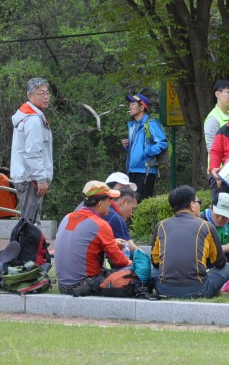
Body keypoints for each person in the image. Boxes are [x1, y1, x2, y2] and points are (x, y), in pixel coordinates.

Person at [55, 181, 136, 295]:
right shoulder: (100, 224)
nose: (111, 203)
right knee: (132, 274)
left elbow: (81, 242)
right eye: (109, 199)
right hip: (84, 285)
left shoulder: (67, 217)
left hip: (63, 286)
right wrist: (132, 263)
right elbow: (119, 260)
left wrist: (112, 242)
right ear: (100, 204)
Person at [151, 185, 229, 298]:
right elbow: (220, 262)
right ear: (192, 205)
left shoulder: (161, 226)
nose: (200, 205)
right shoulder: (206, 226)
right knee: (227, 267)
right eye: (198, 202)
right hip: (199, 290)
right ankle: (210, 289)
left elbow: (155, 262)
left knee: (152, 270)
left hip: (164, 289)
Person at [10, 77, 53, 222]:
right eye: (41, 93)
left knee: (30, 221)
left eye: (47, 93)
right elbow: (33, 152)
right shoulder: (33, 120)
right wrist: (41, 179)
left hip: (27, 176)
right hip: (31, 178)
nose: (46, 96)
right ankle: (25, 239)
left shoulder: (27, 116)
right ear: (30, 96)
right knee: (30, 223)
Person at [121, 93, 168, 201]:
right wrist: (127, 146)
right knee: (131, 205)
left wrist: (146, 152)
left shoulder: (151, 123)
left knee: (140, 204)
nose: (130, 106)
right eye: (130, 104)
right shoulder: (133, 125)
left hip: (145, 171)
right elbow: (137, 149)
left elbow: (162, 143)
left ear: (142, 107)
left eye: (133, 104)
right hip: (132, 170)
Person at [204, 80, 229, 203]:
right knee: (221, 209)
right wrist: (218, 171)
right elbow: (211, 148)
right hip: (219, 172)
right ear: (217, 94)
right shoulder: (213, 119)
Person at [200, 192, 229, 267]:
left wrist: (219, 249)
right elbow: (199, 250)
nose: (220, 219)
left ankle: (219, 266)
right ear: (211, 208)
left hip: (222, 252)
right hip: (207, 257)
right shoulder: (201, 220)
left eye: (225, 216)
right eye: (217, 214)